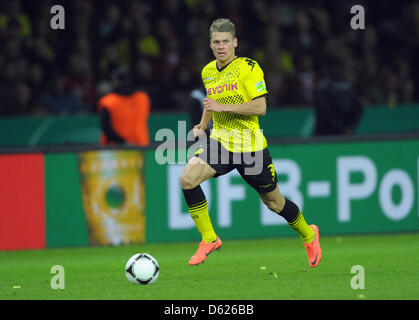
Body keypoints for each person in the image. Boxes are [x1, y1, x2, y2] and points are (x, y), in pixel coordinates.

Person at [180, 18, 322, 267]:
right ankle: (209, 238)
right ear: (210, 45)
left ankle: (308, 234)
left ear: (235, 43)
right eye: (216, 42)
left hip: (251, 147)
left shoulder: (249, 68)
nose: (221, 46)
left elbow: (261, 106)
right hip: (221, 142)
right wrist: (203, 125)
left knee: (273, 202)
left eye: (226, 41)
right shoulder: (208, 71)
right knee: (187, 178)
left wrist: (223, 106)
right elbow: (211, 102)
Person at [97, 68, 150, 146]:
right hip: (141, 148)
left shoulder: (108, 102)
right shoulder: (143, 98)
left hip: (115, 150)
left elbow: (106, 129)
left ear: (116, 82)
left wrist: (124, 143)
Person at [313, 54, 364, 136]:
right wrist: (349, 127)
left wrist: (344, 128)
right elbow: (358, 109)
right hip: (342, 133)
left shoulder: (323, 86)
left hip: (325, 135)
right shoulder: (348, 86)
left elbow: (325, 111)